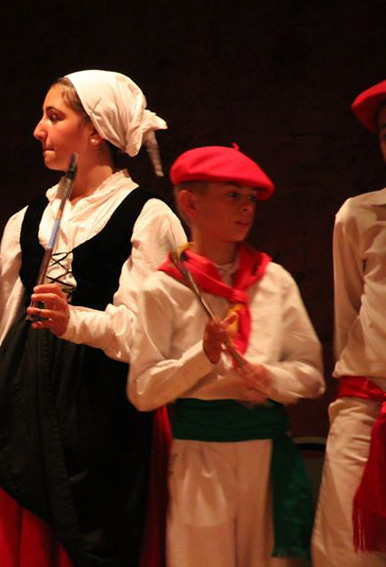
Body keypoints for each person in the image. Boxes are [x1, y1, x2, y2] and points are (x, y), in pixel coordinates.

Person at [0, 70, 186, 566]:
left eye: (54, 116)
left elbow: (150, 338)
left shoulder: (148, 217)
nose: (38, 130)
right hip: (31, 420)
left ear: (96, 132)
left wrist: (76, 323)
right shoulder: (26, 221)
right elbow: (9, 337)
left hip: (108, 422)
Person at [128, 145, 324, 566]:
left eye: (250, 199)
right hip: (202, 455)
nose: (246, 209)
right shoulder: (164, 288)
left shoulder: (274, 280)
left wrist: (269, 378)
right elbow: (143, 391)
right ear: (190, 202)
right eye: (232, 195)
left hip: (266, 453)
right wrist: (202, 356)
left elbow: (311, 374)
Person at [312, 80, 386, 567]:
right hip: (367, 407)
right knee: (347, 553)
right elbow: (347, 322)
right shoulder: (358, 216)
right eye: (385, 131)